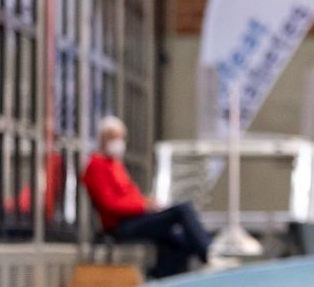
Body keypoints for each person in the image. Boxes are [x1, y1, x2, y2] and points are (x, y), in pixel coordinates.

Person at [80, 116, 215, 278]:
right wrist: (143, 206)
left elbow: (130, 195)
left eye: (121, 138)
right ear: (103, 138)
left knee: (178, 238)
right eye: (115, 137)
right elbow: (110, 204)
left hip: (136, 218)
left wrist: (146, 202)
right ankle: (208, 253)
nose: (119, 142)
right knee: (182, 209)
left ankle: (162, 276)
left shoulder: (115, 165)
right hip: (121, 225)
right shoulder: (96, 166)